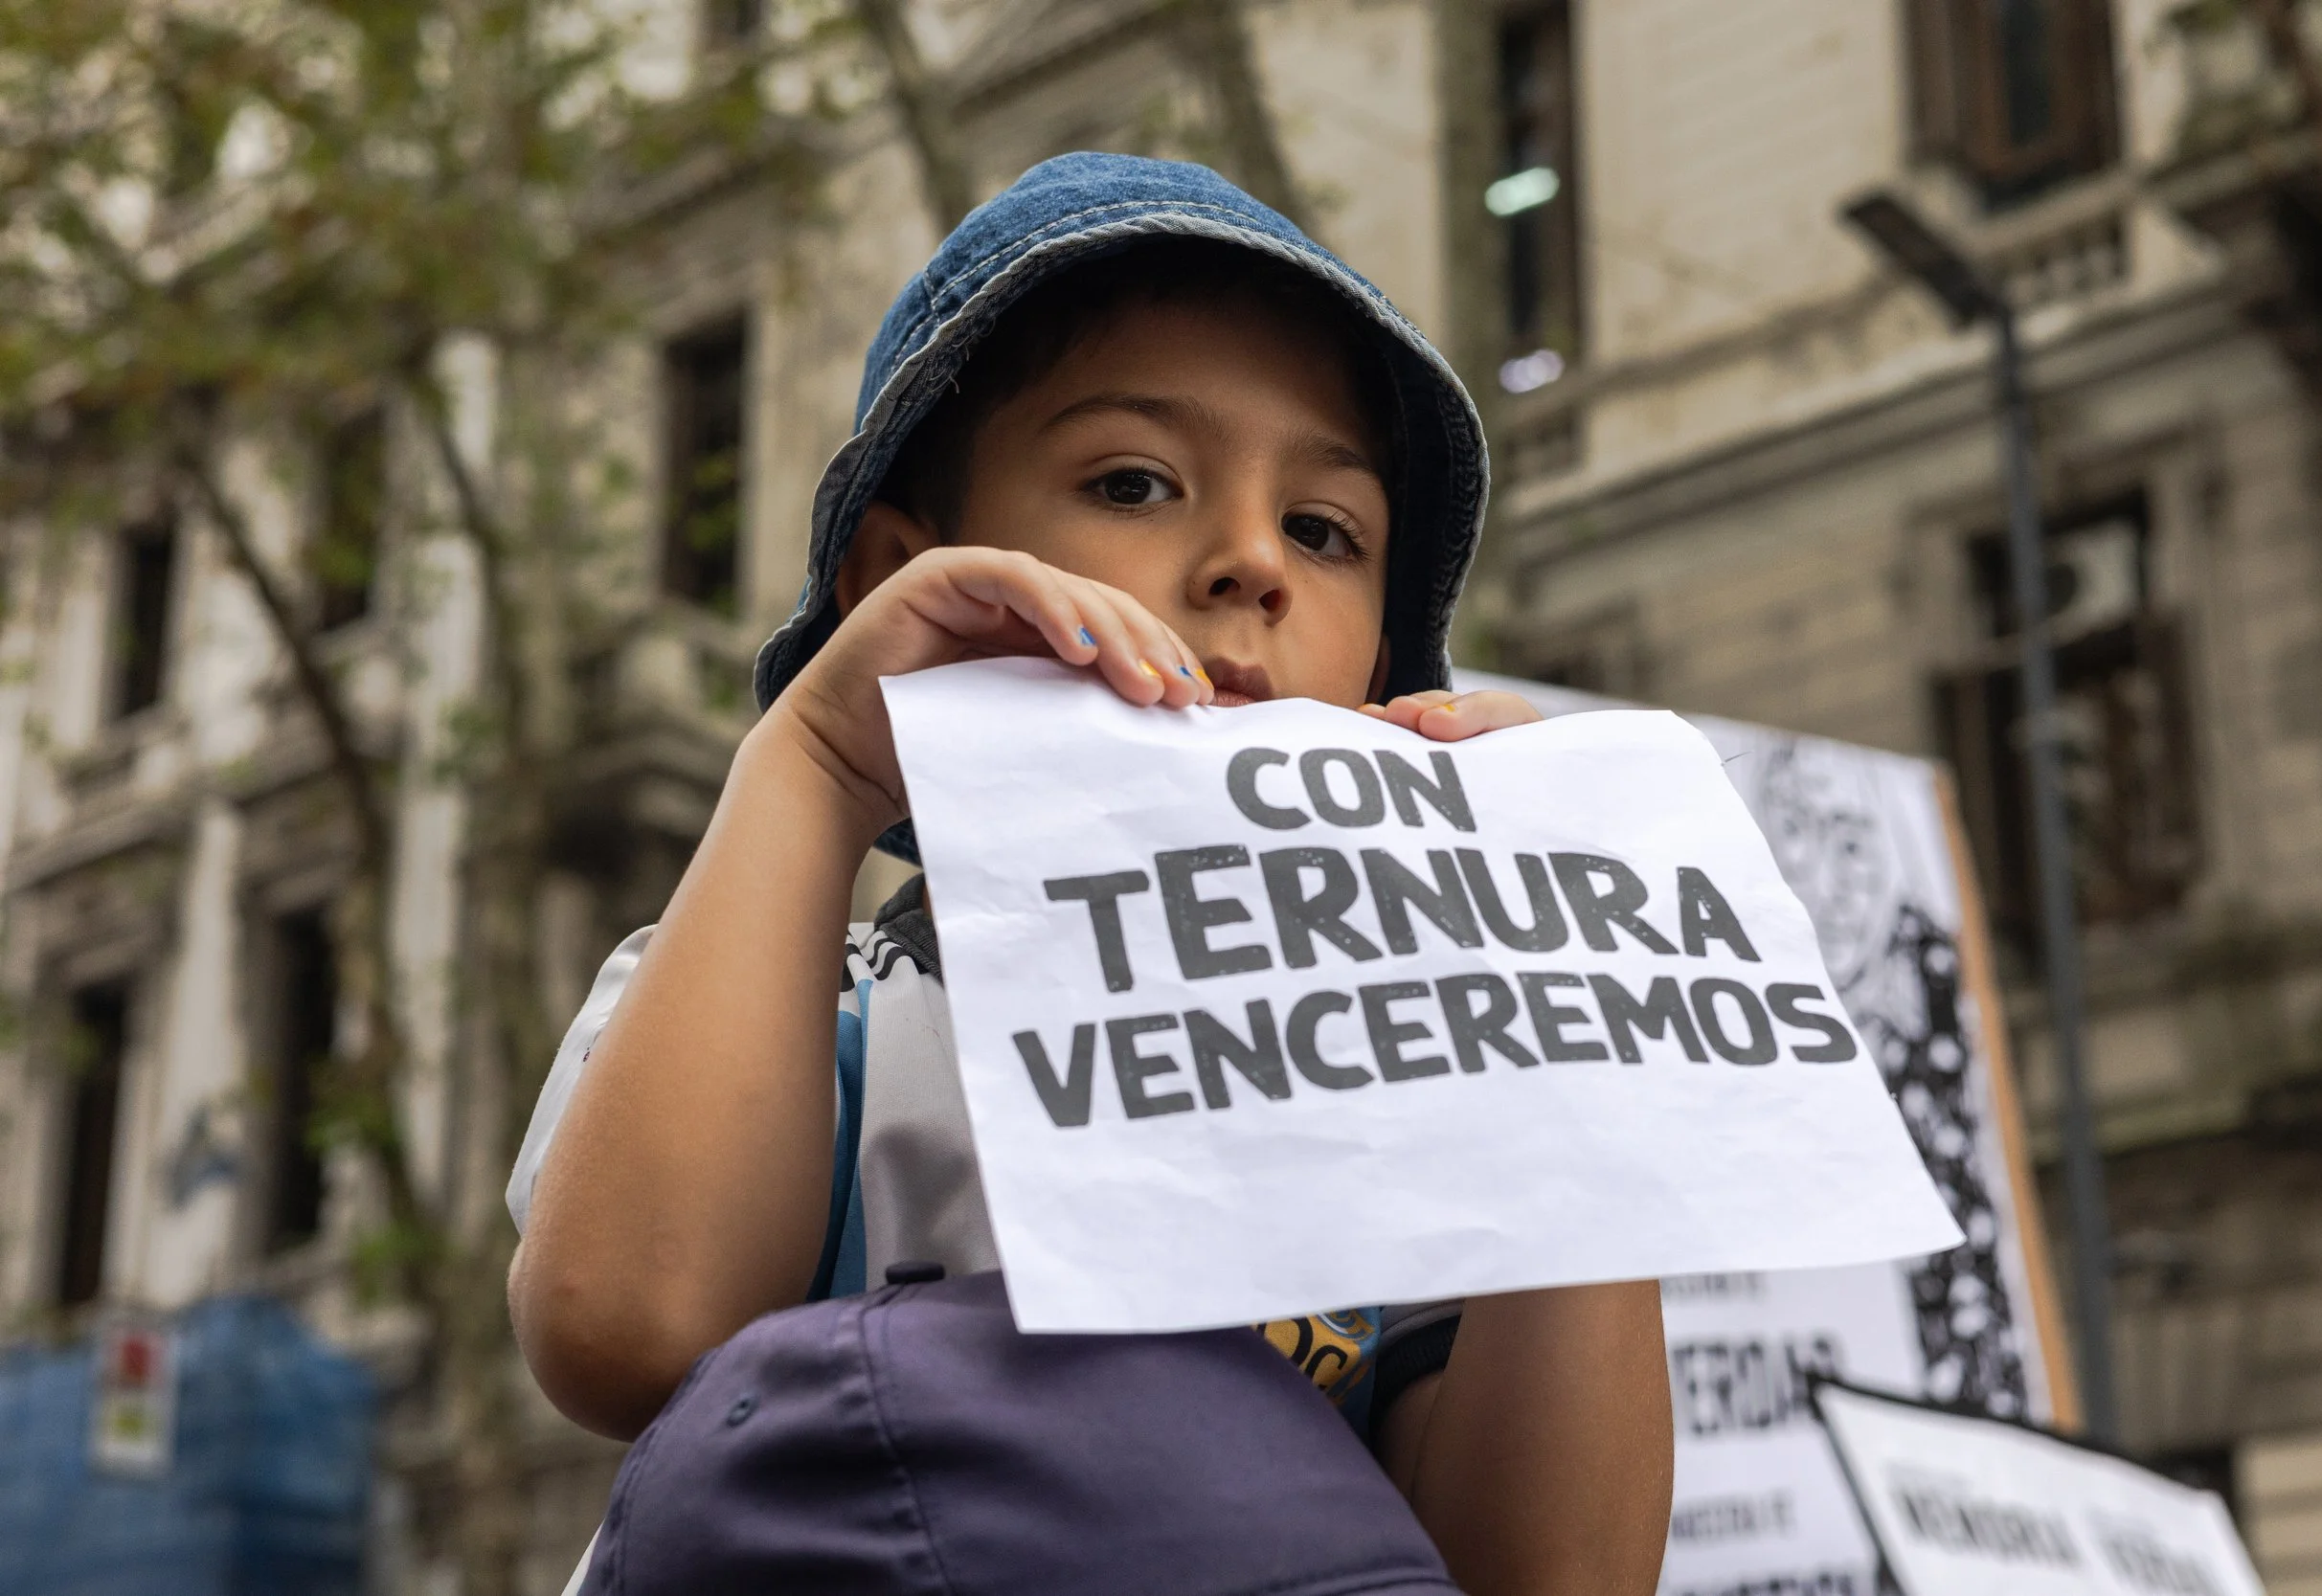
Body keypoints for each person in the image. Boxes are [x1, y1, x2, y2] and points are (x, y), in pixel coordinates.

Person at [507, 153, 1673, 1595]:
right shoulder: (804, 1010)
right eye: (1133, 480)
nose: (1253, 561)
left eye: (1325, 530)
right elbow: (624, 1329)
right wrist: (814, 760)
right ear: (906, 578)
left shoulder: (1425, 1111)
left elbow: (1552, 1573)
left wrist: (1563, 1026)